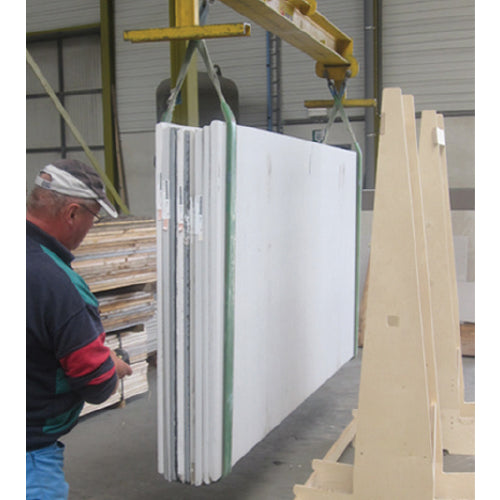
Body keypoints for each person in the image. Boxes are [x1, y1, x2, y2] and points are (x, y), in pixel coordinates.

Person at [26, 159, 133, 499]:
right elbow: (96, 383)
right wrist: (112, 365)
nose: (90, 229)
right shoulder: (56, 284)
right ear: (72, 213)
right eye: (93, 217)